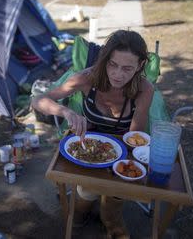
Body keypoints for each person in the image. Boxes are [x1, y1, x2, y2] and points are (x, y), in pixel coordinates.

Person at [32, 30, 154, 239]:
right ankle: (80, 216)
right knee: (86, 191)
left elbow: (135, 136)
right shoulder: (87, 78)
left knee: (114, 193)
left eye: (127, 68)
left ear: (140, 66)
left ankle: (111, 223)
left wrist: (116, 170)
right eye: (112, 65)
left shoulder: (144, 88)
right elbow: (38, 100)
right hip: (85, 149)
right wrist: (66, 111)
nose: (117, 74)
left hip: (120, 153)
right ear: (105, 59)